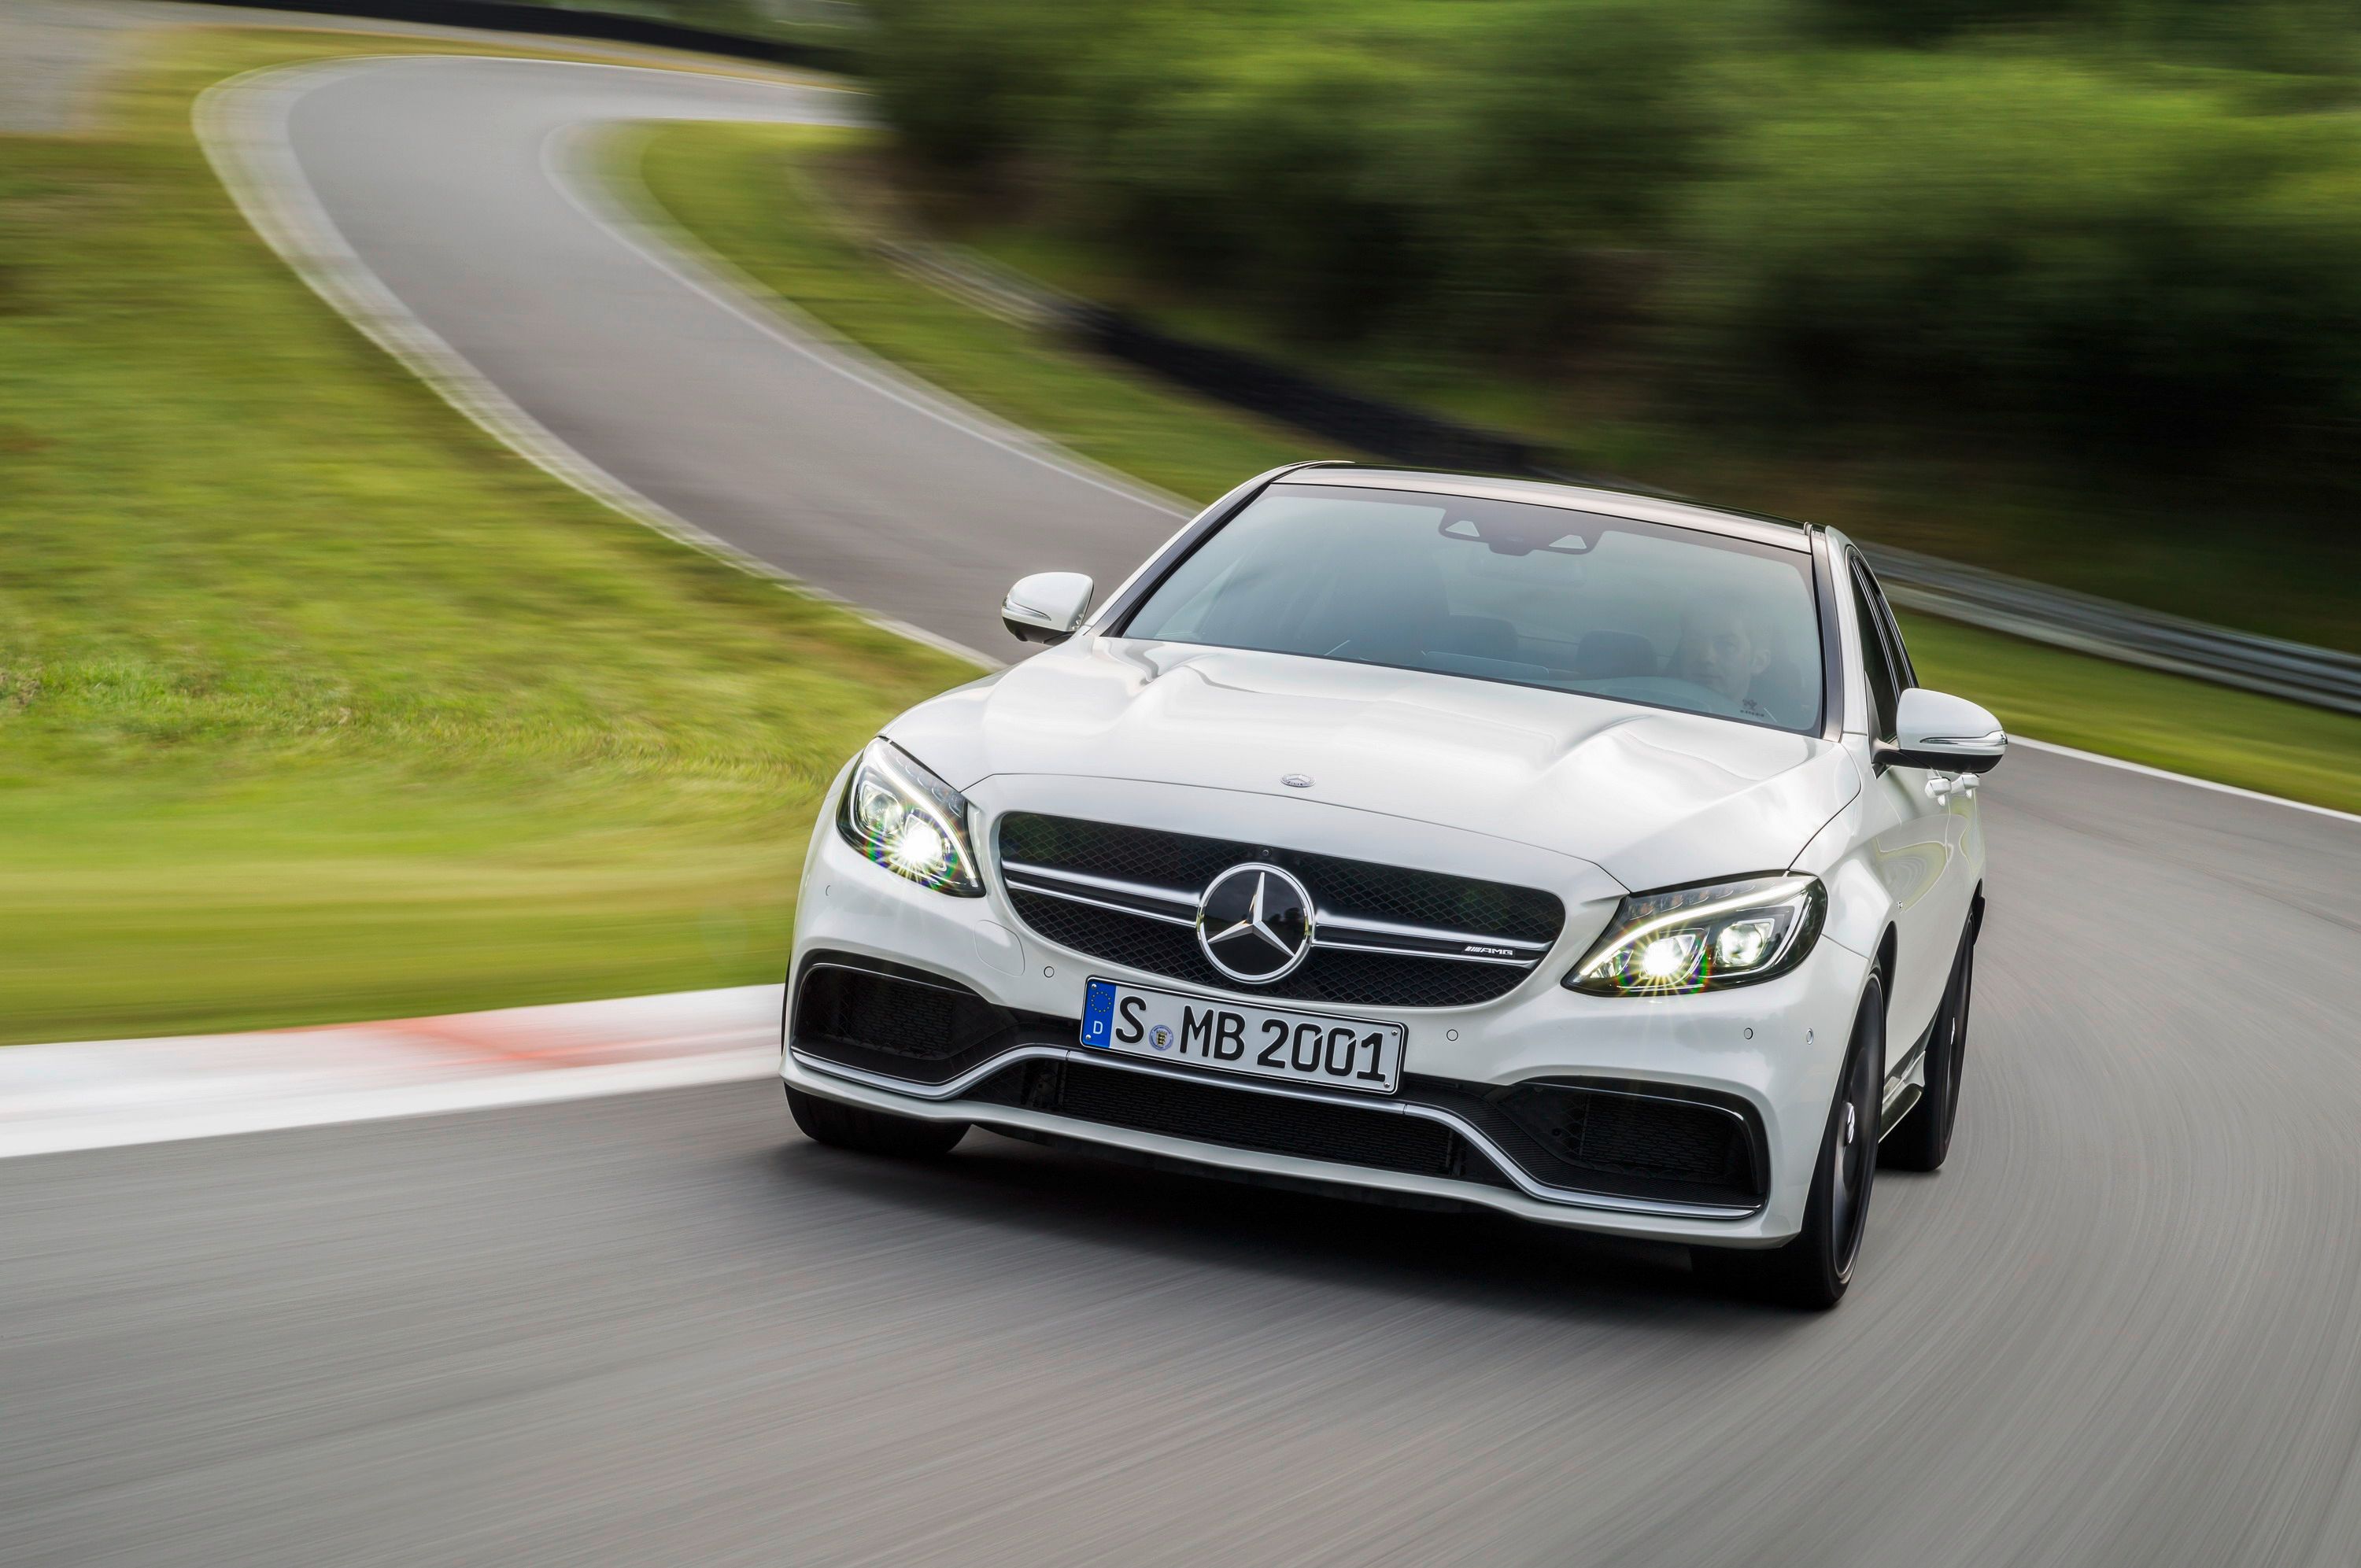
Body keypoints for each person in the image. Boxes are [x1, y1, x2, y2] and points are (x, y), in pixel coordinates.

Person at [1667, 596, 1774, 716]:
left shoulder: (1775, 732)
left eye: (1727, 645)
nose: (1706, 657)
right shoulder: (1646, 700)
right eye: (1694, 641)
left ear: (1759, 662)